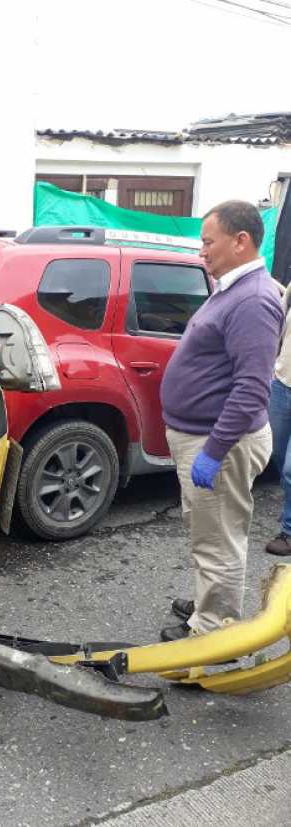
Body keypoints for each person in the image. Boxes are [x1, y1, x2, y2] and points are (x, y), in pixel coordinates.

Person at [159, 200, 284, 641]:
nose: (202, 251)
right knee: (207, 532)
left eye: (208, 242)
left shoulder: (253, 300)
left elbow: (251, 389)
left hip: (221, 444)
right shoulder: (233, 288)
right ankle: (209, 604)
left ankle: (215, 634)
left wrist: (214, 451)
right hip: (204, 437)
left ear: (240, 241)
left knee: (220, 540)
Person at [265, 280, 291, 555]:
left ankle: (289, 532)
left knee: (290, 468)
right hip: (283, 385)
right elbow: (278, 324)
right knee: (278, 456)